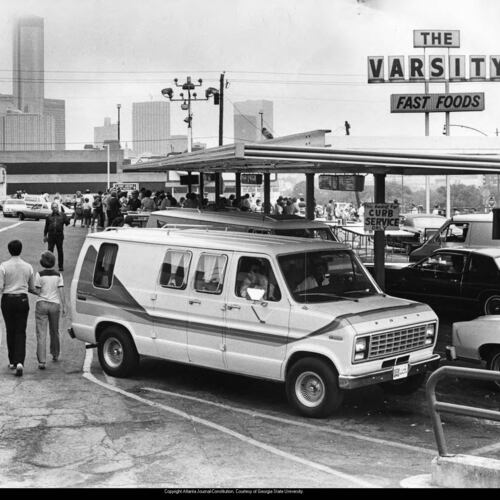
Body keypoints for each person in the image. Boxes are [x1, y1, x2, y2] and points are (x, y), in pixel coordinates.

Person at [0, 240, 35, 376]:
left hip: (8, 299)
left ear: (9, 250)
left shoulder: (3, 266)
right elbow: (31, 288)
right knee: (21, 330)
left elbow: (1, 287)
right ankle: (20, 361)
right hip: (22, 299)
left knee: (10, 329)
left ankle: (12, 361)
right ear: (21, 250)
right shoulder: (28, 267)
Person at [34, 251, 66, 369]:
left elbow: (37, 291)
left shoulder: (39, 275)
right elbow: (61, 291)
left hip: (41, 304)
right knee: (54, 331)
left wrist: (28, 289)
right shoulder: (58, 275)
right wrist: (64, 306)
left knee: (41, 333)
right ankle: (55, 354)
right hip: (54, 304)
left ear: (42, 262)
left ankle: (42, 361)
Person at [43, 202, 70, 272]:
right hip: (51, 236)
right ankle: (49, 265)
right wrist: (45, 235)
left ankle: (60, 266)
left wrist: (68, 218)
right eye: (53, 207)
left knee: (60, 251)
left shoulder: (62, 215)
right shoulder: (49, 216)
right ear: (51, 208)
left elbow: (67, 223)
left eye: (56, 207)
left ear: (58, 207)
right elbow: (46, 227)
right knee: (49, 251)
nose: (55, 209)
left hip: (59, 236)